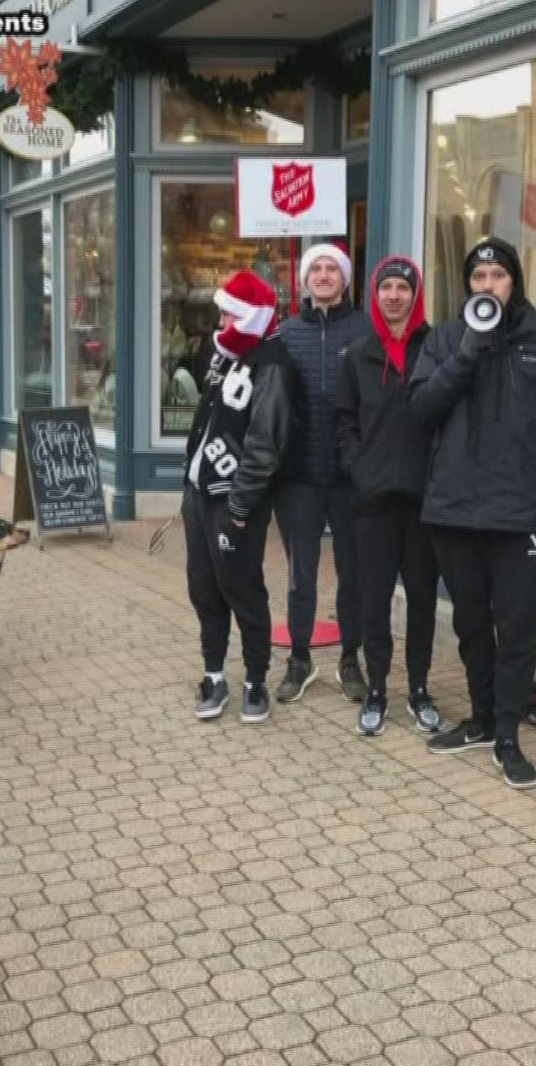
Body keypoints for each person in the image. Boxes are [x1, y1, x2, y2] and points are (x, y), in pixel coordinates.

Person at [408, 236, 536, 790]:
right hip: (455, 512)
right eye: (478, 279)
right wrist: (466, 353)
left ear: (515, 282)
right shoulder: (444, 338)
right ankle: (483, 717)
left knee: (517, 631)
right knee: (470, 625)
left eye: (498, 277)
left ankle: (508, 733)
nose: (488, 287)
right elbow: (420, 409)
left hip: (523, 517)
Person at [184, 270, 300, 726]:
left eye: (230, 311)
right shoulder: (226, 355)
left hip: (234, 502)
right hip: (199, 495)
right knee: (204, 589)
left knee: (244, 592)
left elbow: (265, 444)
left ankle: (255, 681)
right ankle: (214, 675)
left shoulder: (274, 365)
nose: (221, 317)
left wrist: (239, 505)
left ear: (251, 315)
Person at [335, 254, 444, 738]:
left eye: (403, 287)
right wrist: (360, 469)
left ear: (415, 294)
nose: (394, 296)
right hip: (373, 502)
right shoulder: (359, 354)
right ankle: (377, 688)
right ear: (374, 295)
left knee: (422, 601)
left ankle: (419, 688)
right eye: (386, 288)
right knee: (373, 600)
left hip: (425, 504)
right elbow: (344, 423)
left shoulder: (436, 347)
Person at [271, 241, 370, 706]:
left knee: (354, 573)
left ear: (344, 279)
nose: (325, 275)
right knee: (300, 575)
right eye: (317, 268)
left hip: (352, 477)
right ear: (306, 280)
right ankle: (299, 658)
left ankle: (351, 658)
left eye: (333, 268)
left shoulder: (366, 330)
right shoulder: (286, 334)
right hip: (299, 475)